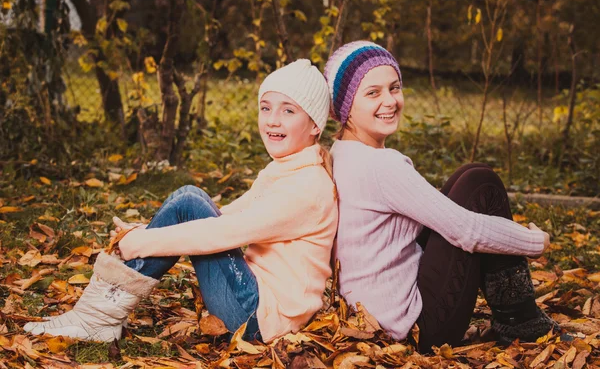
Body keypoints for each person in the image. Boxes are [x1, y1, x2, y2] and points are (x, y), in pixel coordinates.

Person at [24, 59, 338, 344]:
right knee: (191, 200)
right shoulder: (289, 169)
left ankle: (97, 316)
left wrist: (142, 243)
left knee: (190, 200)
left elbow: (225, 231)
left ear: (315, 126)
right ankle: (98, 314)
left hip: (260, 320)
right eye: (266, 107)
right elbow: (229, 213)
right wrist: (146, 232)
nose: (272, 120)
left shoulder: (307, 187)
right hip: (254, 302)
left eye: (288, 111)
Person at [323, 41, 556, 352]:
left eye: (394, 88)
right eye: (372, 93)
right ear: (346, 105)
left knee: (466, 177)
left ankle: (516, 317)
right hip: (416, 331)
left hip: (369, 320)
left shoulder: (341, 153)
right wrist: (534, 243)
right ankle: (521, 321)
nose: (390, 101)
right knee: (479, 183)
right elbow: (466, 231)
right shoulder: (381, 165)